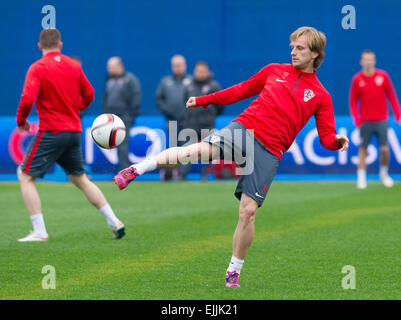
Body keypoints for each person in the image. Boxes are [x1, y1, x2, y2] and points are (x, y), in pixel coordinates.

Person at [113, 26, 349, 287]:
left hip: (270, 150)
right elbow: (240, 90)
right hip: (244, 129)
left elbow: (327, 136)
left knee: (247, 212)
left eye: (300, 48)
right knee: (195, 151)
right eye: (292, 47)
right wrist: (204, 100)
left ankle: (233, 270)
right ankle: (137, 169)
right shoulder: (274, 71)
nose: (293, 51)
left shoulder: (321, 95)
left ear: (315, 54)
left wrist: (336, 142)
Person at [16, 28, 125, 242]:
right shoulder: (73, 66)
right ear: (61, 45)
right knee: (80, 178)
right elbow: (89, 94)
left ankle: (39, 231)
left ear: (40, 46)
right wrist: (77, 109)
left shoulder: (37, 67)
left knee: (25, 175)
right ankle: (114, 221)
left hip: (52, 130)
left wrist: (21, 122)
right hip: (73, 131)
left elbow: (28, 98)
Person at [349, 49, 401, 189]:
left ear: (374, 60)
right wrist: (357, 120)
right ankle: (361, 177)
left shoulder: (383, 76)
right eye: (365, 59)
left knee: (384, 149)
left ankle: (383, 174)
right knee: (363, 149)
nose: (368, 62)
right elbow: (353, 102)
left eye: (370, 59)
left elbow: (391, 95)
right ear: (361, 61)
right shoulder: (357, 79)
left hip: (381, 120)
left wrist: (398, 113)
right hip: (365, 122)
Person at [181, 61, 223, 180]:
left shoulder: (214, 86)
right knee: (188, 150)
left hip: (207, 124)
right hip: (191, 124)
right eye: (198, 71)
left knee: (207, 150)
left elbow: (220, 105)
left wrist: (210, 115)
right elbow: (184, 102)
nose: (200, 73)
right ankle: (182, 174)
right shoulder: (189, 85)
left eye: (202, 71)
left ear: (207, 72)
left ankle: (205, 175)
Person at [155, 54, 192, 180]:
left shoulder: (191, 81)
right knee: (172, 147)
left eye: (180, 65)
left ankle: (182, 174)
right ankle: (169, 173)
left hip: (188, 121)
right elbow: (158, 98)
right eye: (175, 65)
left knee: (187, 148)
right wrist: (166, 111)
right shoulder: (166, 81)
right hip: (171, 120)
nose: (178, 68)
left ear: (185, 66)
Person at [103, 57, 141, 171]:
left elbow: (136, 97)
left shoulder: (130, 80)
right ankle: (121, 170)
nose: (109, 70)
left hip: (124, 117)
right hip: (112, 118)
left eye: (111, 67)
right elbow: (105, 99)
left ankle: (125, 172)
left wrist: (131, 115)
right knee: (115, 145)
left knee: (123, 146)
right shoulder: (109, 81)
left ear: (119, 66)